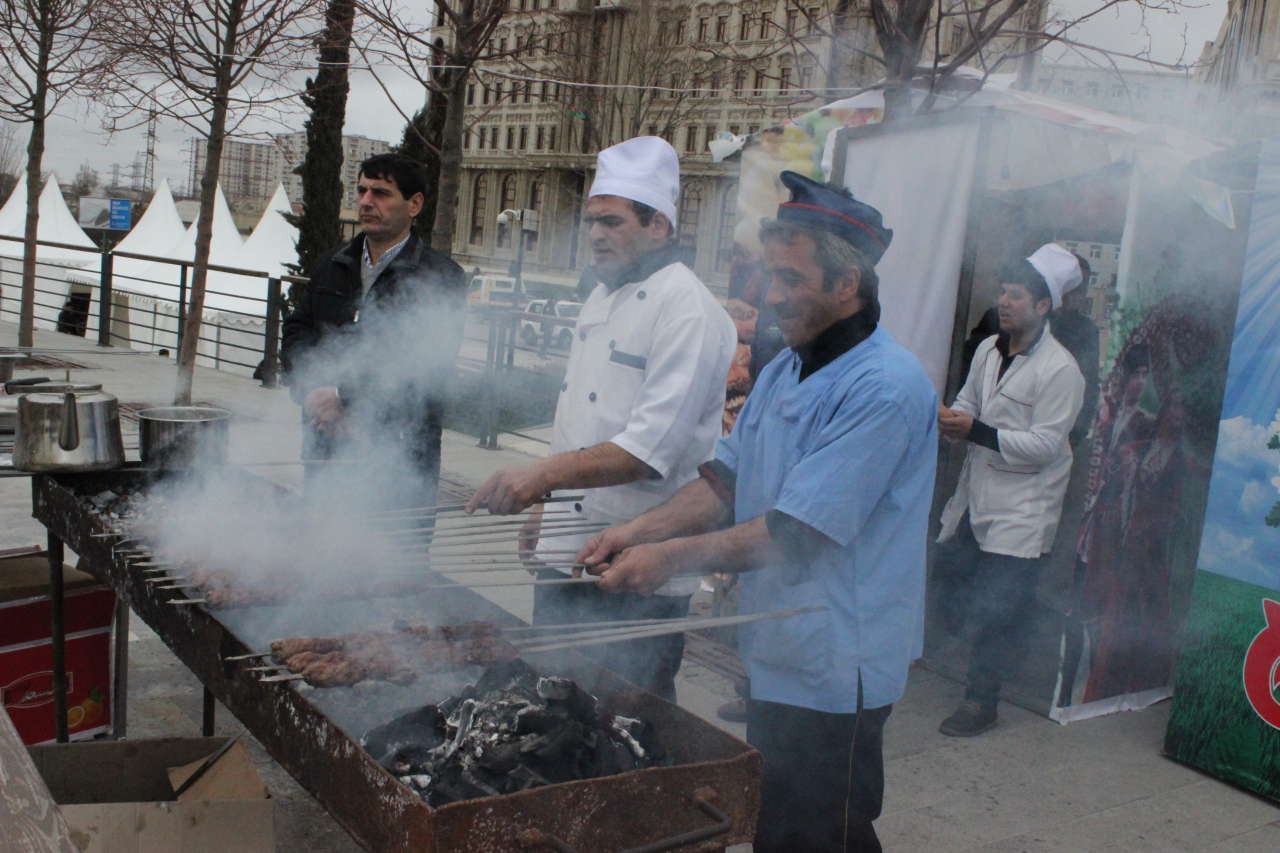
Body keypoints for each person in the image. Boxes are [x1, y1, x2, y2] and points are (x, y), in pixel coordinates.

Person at [576, 171, 937, 852]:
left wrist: (663, 561)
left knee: (822, 830)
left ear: (845, 284)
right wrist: (637, 529)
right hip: (781, 647)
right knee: (778, 822)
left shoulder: (884, 388)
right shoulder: (787, 368)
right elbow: (723, 478)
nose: (772, 296)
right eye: (771, 275)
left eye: (791, 279)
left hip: (838, 660)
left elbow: (795, 532)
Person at [466, 137, 736, 701]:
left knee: (622, 714)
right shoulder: (602, 296)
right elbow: (580, 423)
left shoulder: (688, 310)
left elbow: (646, 450)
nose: (595, 235)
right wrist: (546, 508)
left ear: (658, 224)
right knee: (548, 705)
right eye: (592, 221)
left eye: (612, 222)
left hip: (639, 564)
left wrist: (540, 478)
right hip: (566, 552)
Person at [935, 243, 1085, 737]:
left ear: (1044, 307)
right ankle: (965, 666)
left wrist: (973, 431)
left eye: (1016, 295)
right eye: (1002, 291)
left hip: (1023, 507)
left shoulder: (1061, 370)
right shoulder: (986, 350)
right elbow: (968, 400)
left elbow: (1044, 445)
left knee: (1000, 608)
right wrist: (952, 416)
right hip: (977, 495)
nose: (1004, 301)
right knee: (954, 583)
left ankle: (982, 701)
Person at [281, 153, 466, 505]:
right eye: (362, 191)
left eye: (380, 193)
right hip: (326, 449)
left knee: (394, 555)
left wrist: (345, 400)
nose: (366, 201)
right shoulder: (333, 264)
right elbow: (297, 331)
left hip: (398, 457)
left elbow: (426, 364)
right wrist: (313, 388)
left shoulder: (441, 277)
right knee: (322, 546)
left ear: (414, 204)